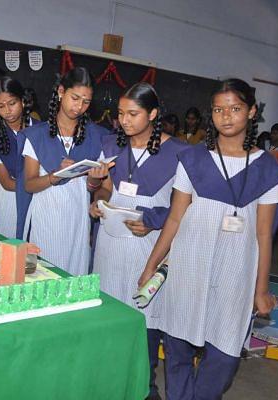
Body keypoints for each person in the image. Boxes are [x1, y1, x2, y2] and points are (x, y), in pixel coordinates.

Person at [139, 78, 278, 399]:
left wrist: (261, 289)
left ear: (251, 112)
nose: (226, 116)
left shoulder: (267, 168)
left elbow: (264, 233)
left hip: (236, 271)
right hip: (189, 263)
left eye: (235, 108)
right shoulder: (193, 158)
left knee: (224, 352)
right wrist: (151, 265)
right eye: (219, 110)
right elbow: (175, 217)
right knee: (177, 345)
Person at [89, 83, 188, 400]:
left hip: (149, 242)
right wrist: (98, 199)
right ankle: (107, 377)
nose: (124, 120)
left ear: (153, 114)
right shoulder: (111, 143)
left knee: (145, 314)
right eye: (121, 113)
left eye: (133, 114)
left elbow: (185, 207)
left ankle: (145, 385)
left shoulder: (179, 153)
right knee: (110, 308)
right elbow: (105, 188)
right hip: (111, 240)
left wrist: (154, 219)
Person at [22, 67, 110, 275]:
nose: (79, 107)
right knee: (42, 275)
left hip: (77, 218)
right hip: (46, 215)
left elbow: (96, 187)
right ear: (61, 92)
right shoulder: (37, 135)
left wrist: (94, 182)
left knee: (73, 275)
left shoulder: (96, 137)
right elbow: (29, 184)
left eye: (86, 102)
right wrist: (54, 175)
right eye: (75, 98)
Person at [0, 76, 38, 238]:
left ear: (23, 101)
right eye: (0, 106)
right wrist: (41, 185)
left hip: (38, 200)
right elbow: (7, 183)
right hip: (9, 201)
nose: (7, 111)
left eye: (12, 103)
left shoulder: (40, 129)